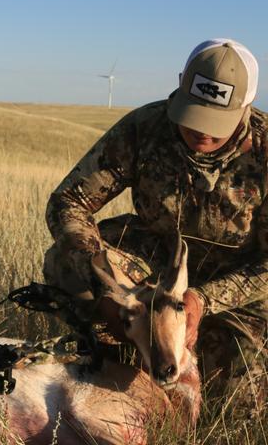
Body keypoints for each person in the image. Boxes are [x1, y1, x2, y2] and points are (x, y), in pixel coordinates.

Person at [43, 38, 268, 410]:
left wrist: (203, 300)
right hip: (157, 268)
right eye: (194, 116)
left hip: (239, 286)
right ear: (181, 84)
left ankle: (193, 343)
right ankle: (116, 357)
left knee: (234, 407)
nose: (203, 134)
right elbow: (68, 202)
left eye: (217, 124)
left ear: (244, 108)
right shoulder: (145, 128)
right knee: (63, 263)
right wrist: (110, 290)